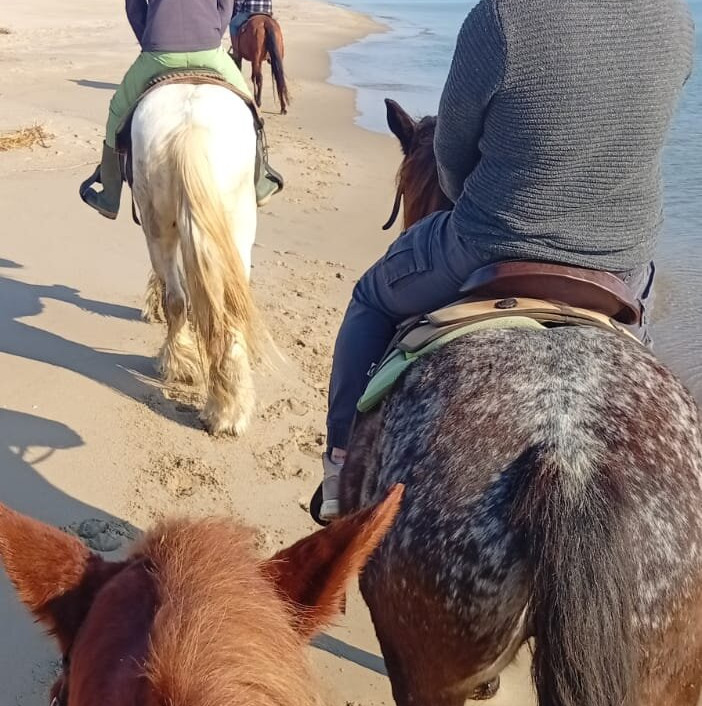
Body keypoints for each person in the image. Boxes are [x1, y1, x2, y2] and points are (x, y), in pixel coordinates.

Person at [318, 0, 695, 521]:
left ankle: (338, 463)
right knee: (638, 342)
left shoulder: (501, 16)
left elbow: (450, 155)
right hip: (623, 259)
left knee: (371, 297)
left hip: (487, 245)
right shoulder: (676, 22)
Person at [80, 0, 283, 220]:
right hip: (208, 50)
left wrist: (149, 41)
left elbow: (134, 7)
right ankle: (260, 180)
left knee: (117, 110)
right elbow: (226, 6)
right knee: (250, 106)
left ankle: (110, 195)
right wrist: (212, 36)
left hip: (159, 50)